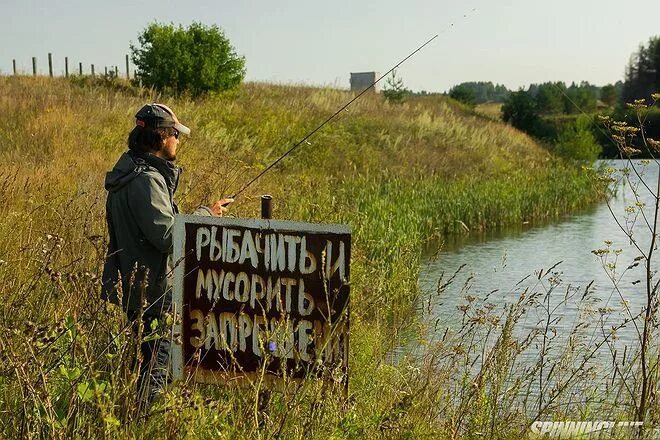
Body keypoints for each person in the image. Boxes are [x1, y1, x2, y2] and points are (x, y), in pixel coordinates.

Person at [101, 103, 233, 403]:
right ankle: (144, 425)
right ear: (161, 137)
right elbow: (165, 235)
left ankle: (135, 419)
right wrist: (206, 214)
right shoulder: (146, 180)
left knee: (144, 368)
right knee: (154, 378)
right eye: (175, 134)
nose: (178, 140)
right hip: (153, 295)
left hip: (137, 290)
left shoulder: (130, 170)